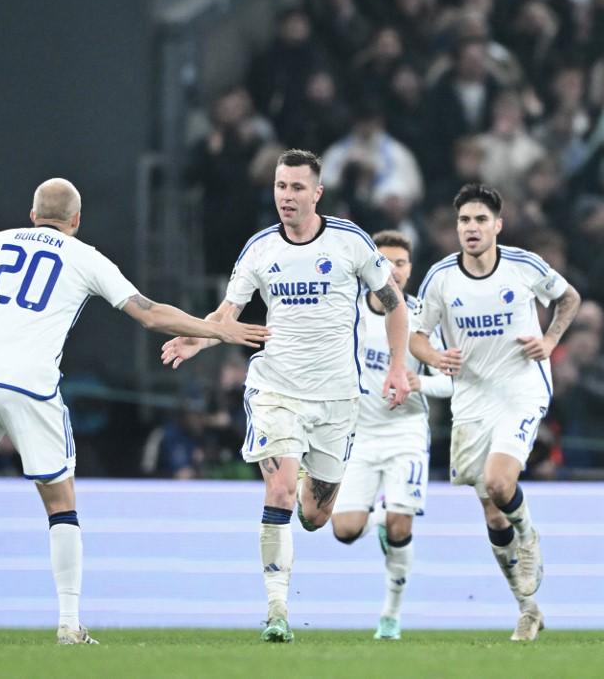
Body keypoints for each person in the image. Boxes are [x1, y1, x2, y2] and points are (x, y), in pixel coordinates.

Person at [0, 178, 268, 646]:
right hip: (28, 380)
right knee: (59, 499)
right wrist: (217, 332)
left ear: (32, 215)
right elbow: (149, 314)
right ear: (76, 221)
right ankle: (69, 622)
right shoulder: (84, 255)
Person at [161, 149, 411, 642]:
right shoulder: (259, 249)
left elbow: (394, 305)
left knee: (316, 517)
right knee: (278, 489)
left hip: (338, 398)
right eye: (280, 186)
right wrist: (198, 337)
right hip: (275, 388)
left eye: (297, 188)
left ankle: (300, 496)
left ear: (317, 193)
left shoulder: (350, 243)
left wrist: (399, 367)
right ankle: (277, 612)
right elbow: (227, 312)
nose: (287, 196)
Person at [410, 183, 581, 642]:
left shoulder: (524, 266)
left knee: (500, 482)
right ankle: (528, 609)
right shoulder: (441, 278)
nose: (471, 228)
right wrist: (433, 357)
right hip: (471, 400)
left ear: (497, 226)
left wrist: (550, 340)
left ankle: (531, 539)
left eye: (480, 220)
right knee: (491, 513)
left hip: (521, 388)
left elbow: (569, 299)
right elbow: (416, 336)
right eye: (464, 220)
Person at [329, 229, 452, 640]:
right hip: (359, 436)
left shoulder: (421, 319)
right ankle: (377, 516)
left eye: (401, 263)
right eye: (385, 262)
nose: (394, 271)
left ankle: (390, 616)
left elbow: (454, 383)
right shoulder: (347, 312)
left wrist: (422, 384)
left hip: (405, 433)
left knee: (402, 527)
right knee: (344, 530)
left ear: (410, 268)